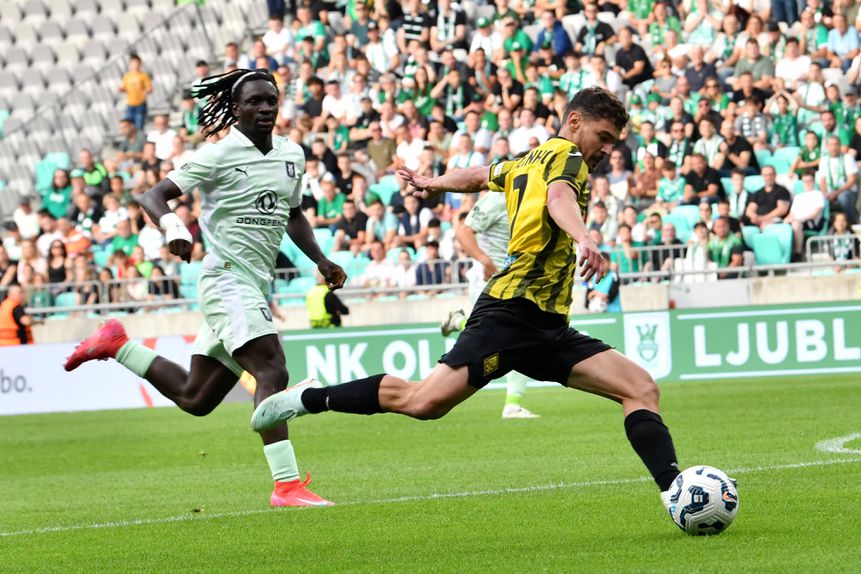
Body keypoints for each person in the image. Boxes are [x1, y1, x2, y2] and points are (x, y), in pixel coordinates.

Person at [251, 88, 686, 519]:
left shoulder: (527, 161)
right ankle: (309, 397)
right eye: (603, 137)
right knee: (423, 402)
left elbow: (479, 175)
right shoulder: (567, 157)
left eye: (613, 142)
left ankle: (677, 494)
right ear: (574, 122)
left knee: (640, 388)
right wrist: (584, 236)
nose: (607, 150)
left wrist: (432, 183)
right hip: (512, 312)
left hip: (548, 326)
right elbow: (559, 199)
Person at [64, 69, 347, 508]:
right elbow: (153, 196)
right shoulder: (218, 154)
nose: (265, 108)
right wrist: (174, 227)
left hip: (254, 284)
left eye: (271, 100)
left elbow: (293, 215)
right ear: (235, 108)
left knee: (196, 397)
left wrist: (321, 259)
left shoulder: (292, 154)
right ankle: (287, 486)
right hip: (226, 278)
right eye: (254, 101)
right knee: (272, 370)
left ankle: (118, 345)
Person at [440, 191, 540, 419]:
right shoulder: (498, 198)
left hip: (514, 281)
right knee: (512, 338)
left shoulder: (533, 198)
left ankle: (458, 321)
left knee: (513, 339)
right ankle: (512, 405)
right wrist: (485, 260)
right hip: (487, 280)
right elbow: (463, 232)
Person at [119, 53, 152, 131]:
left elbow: (149, 87)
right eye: (133, 63)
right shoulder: (127, 76)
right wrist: (121, 89)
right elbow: (124, 87)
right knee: (129, 125)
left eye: (136, 62)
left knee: (139, 126)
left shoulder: (143, 75)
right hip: (130, 104)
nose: (135, 65)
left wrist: (146, 91)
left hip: (140, 104)